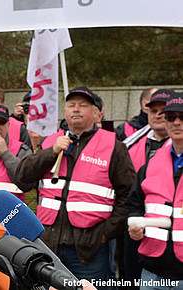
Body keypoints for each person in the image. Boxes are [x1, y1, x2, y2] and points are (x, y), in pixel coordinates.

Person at [16, 86, 135, 285]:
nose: (76, 109)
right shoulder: (51, 142)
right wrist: (51, 152)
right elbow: (22, 177)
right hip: (49, 245)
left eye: (83, 105)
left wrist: (106, 234)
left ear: (97, 113)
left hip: (89, 250)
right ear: (65, 112)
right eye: (71, 105)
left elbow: (129, 195)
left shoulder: (113, 145)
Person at [126, 92, 183, 289]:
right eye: (171, 117)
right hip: (151, 272)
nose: (176, 122)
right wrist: (135, 225)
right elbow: (134, 203)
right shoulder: (151, 164)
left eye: (182, 117)